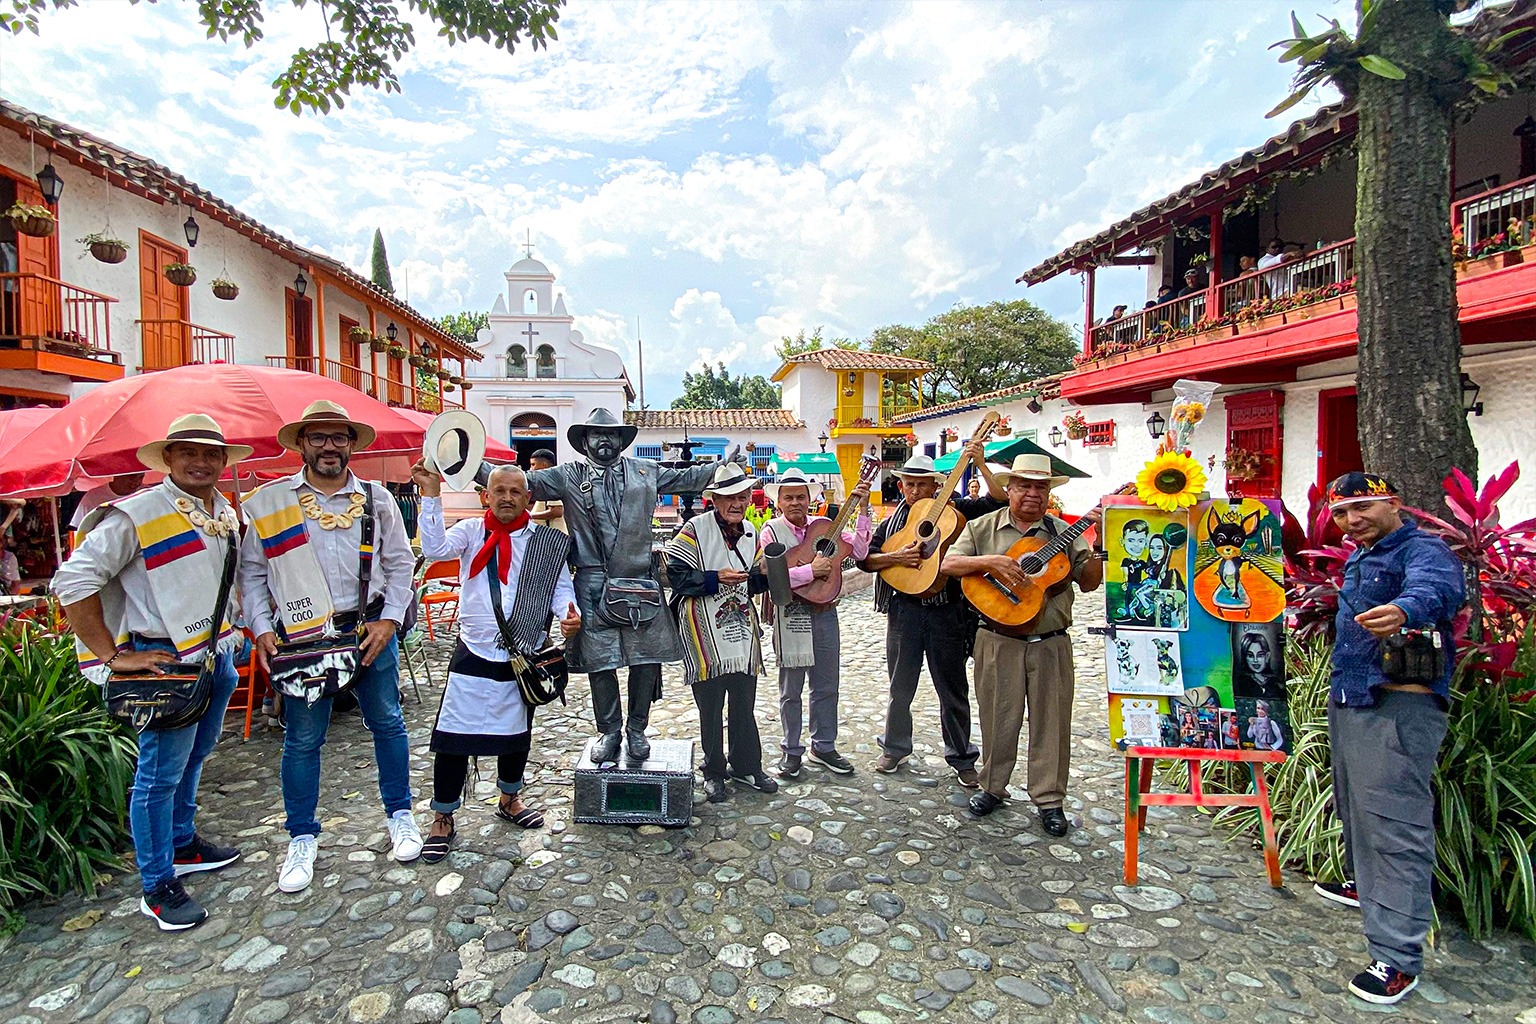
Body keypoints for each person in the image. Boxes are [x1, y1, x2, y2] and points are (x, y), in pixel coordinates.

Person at [54, 414, 250, 930]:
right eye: (189, 451)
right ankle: (156, 884)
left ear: (224, 461)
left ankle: (182, 843)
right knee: (158, 775)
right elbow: (72, 580)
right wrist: (114, 656)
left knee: (196, 757)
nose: (201, 461)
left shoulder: (222, 511)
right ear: (167, 458)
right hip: (163, 660)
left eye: (211, 453)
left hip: (215, 655)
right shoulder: (136, 514)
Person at [240, 401, 421, 894]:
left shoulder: (378, 499)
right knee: (302, 738)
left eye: (337, 437)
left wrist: (389, 621)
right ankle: (301, 836)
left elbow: (401, 564)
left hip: (368, 631)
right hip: (303, 636)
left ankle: (400, 814)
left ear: (350, 444)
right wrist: (260, 629)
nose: (328, 447)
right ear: (301, 444)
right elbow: (252, 574)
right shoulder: (273, 502)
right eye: (317, 438)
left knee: (387, 722)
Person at [1312, 472, 1465, 1005]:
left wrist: (1405, 609)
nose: (1352, 520)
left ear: (1394, 503)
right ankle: (1364, 885)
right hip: (1355, 695)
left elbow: (1439, 589)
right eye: (1341, 513)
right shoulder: (1361, 555)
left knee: (1394, 824)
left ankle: (1397, 956)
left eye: (1363, 507)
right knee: (1354, 804)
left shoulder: (1422, 550)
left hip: (1399, 704)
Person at [526, 408, 728, 766]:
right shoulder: (567, 475)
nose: (604, 441)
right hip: (591, 582)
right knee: (600, 664)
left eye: (612, 435)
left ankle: (637, 728)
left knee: (645, 660)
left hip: (639, 581)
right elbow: (517, 482)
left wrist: (724, 467)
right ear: (584, 440)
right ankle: (609, 730)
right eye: (596, 435)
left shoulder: (644, 472)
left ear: (621, 440)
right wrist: (463, 464)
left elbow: (689, 479)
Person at [411, 459, 582, 861]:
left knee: (515, 734)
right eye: (499, 491)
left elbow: (561, 589)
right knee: (452, 739)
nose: (506, 498)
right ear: (485, 496)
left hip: (522, 650)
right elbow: (434, 549)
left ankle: (509, 799)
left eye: (515, 491)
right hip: (473, 648)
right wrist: (431, 496)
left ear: (528, 497)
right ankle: (443, 817)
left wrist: (568, 615)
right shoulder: (471, 532)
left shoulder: (548, 542)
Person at [941, 453, 1102, 834]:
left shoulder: (1063, 532)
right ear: (1009, 489)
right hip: (997, 638)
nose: (1032, 493)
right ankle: (993, 788)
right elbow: (948, 563)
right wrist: (993, 562)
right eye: (1024, 486)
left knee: (1052, 722)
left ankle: (1049, 799)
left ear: (1049, 493)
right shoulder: (983, 527)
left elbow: (1090, 580)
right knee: (997, 717)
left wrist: (1099, 543)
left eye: (1040, 487)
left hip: (1051, 641)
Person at [856, 442, 1003, 786]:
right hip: (903, 611)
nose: (915, 490)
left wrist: (979, 463)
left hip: (946, 612)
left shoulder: (958, 511)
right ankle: (894, 747)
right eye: (909, 483)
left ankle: (961, 756)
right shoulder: (892, 523)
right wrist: (896, 560)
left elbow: (997, 500)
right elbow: (866, 560)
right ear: (902, 486)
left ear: (937, 486)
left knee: (952, 687)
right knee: (900, 685)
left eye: (922, 484)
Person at [665, 463, 777, 802]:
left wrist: (765, 574)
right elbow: (677, 576)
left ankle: (746, 766)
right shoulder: (694, 530)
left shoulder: (750, 533)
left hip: (740, 628)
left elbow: (755, 581)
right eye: (729, 497)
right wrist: (715, 578)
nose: (737, 504)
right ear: (714, 499)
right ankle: (713, 771)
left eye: (742, 497)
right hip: (702, 628)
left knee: (744, 702)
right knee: (710, 706)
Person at [758, 466, 872, 778]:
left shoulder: (825, 527)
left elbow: (860, 551)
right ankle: (791, 750)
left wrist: (862, 508)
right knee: (790, 690)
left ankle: (824, 745)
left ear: (810, 499)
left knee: (826, 685)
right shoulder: (770, 531)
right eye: (789, 497)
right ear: (779, 502)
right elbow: (772, 576)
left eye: (801, 497)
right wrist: (811, 571)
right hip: (792, 616)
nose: (795, 502)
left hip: (825, 615)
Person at [71, 473, 146, 532]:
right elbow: (78, 529)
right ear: (117, 475)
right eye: (132, 476)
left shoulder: (147, 493)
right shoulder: (92, 498)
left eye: (141, 477)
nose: (137, 482)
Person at [526, 449, 566, 534]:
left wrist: (530, 516)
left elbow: (557, 511)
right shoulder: (544, 483)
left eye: (533, 465)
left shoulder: (552, 482)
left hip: (554, 537)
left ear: (544, 465)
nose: (530, 469)